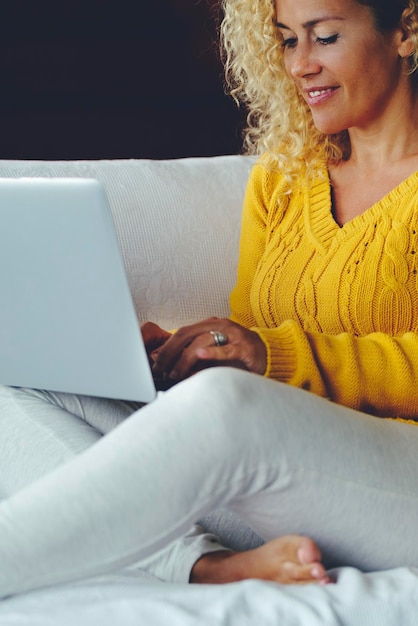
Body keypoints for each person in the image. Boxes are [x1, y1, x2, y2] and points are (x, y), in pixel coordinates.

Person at [0, 0, 418, 599]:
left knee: (228, 404)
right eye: (285, 41)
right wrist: (193, 357)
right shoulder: (283, 181)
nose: (300, 65)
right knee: (28, 378)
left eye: (323, 38)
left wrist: (266, 359)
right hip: (278, 474)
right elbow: (249, 341)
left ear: (405, 29)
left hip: (400, 481)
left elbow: (263, 370)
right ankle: (201, 566)